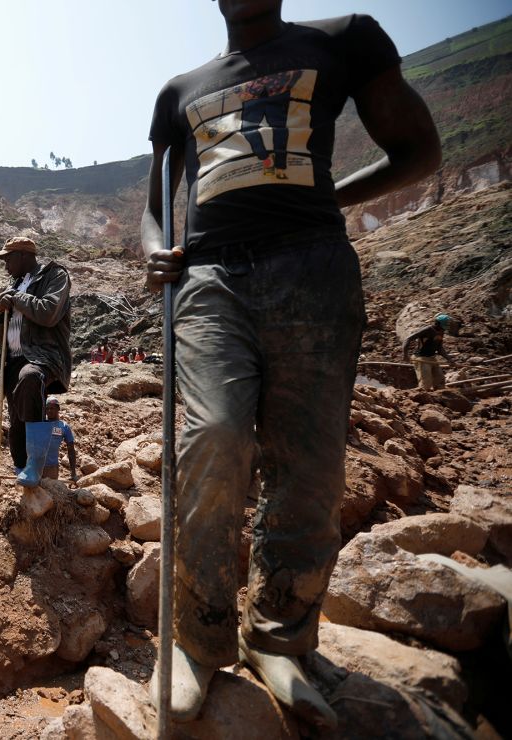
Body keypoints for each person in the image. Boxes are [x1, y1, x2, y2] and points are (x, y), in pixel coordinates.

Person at [142, 0, 440, 727]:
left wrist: (329, 200)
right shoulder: (181, 90)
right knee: (213, 437)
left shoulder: (343, 42)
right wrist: (156, 250)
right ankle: (197, 638)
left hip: (313, 270)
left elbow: (419, 152)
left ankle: (279, 636)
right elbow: (156, 207)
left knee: (310, 465)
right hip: (211, 279)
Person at [0, 236, 71, 473]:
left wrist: (16, 299)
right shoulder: (12, 286)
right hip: (11, 360)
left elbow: (49, 312)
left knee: (30, 378)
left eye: (8, 259)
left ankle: (38, 461)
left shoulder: (54, 276)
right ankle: (21, 470)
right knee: (16, 420)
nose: (6, 266)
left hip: (42, 357)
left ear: (23, 256)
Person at [403, 314, 457, 390]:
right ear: (438, 324)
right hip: (421, 358)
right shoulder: (427, 330)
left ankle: (438, 399)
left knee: (440, 381)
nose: (444, 329)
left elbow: (439, 348)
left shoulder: (440, 331)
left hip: (432, 358)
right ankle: (422, 398)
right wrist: (405, 355)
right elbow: (408, 339)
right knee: (426, 385)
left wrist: (449, 359)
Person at [42, 398, 78, 483]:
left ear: (58, 409)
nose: (49, 411)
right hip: (36, 466)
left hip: (52, 468)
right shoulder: (41, 423)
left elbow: (71, 450)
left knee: (50, 493)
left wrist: (73, 473)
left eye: (52, 408)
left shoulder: (64, 427)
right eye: (47, 408)